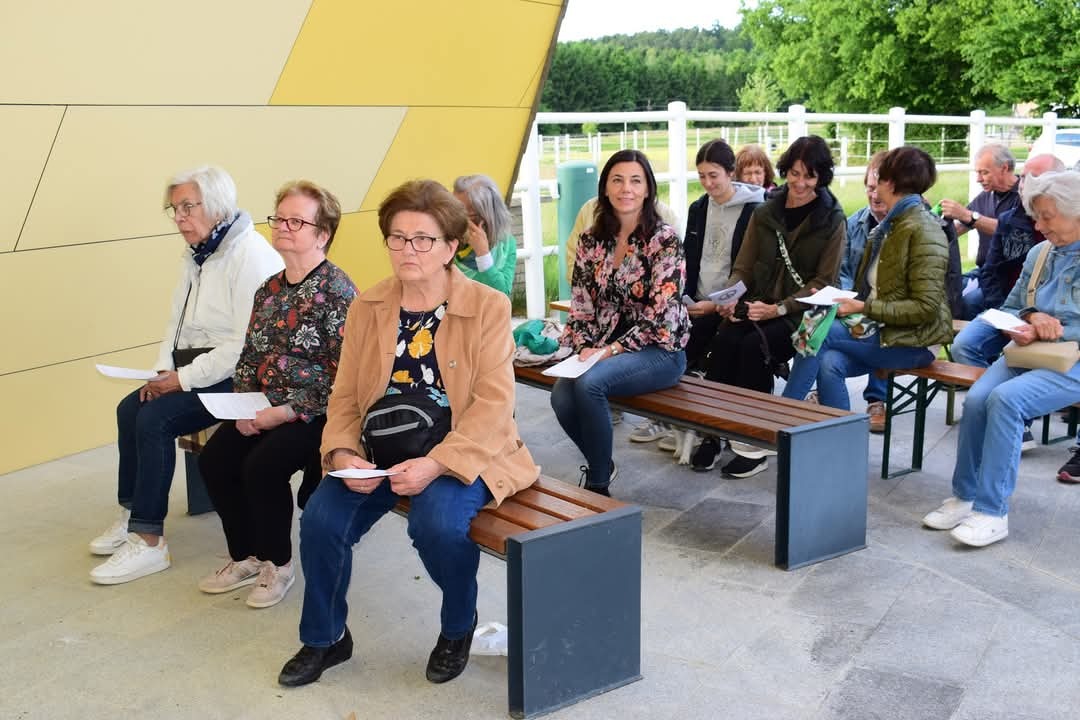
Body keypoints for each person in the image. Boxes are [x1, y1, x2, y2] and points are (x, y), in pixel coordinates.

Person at [277, 179, 538, 687]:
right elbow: (345, 395)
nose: (407, 250)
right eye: (397, 238)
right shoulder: (369, 306)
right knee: (322, 520)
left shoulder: (488, 306)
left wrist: (437, 464)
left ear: (450, 247)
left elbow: (494, 405)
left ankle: (458, 624)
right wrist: (343, 452)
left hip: (463, 448)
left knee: (437, 523)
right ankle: (326, 638)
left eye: (423, 239)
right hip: (381, 446)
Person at [88, 166, 284, 585]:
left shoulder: (251, 256)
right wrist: (163, 370)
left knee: (155, 419)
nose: (179, 218)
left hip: (244, 375)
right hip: (197, 367)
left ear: (217, 208)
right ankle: (132, 514)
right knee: (130, 409)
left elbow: (243, 346)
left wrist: (181, 380)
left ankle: (149, 542)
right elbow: (175, 322)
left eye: (187, 207)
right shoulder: (197, 254)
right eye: (174, 209)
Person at [195, 181, 357, 608]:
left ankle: (279, 564)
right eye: (279, 218)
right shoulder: (268, 289)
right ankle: (246, 556)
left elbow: (347, 378)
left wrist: (283, 412)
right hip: (263, 404)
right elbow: (249, 356)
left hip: (315, 411)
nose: (282, 226)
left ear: (322, 234)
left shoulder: (339, 292)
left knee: (261, 467)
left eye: (296, 221)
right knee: (214, 461)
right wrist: (242, 405)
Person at [922, 170, 1080, 547]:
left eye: (1046, 217)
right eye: (1036, 217)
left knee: (1007, 400)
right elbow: (1010, 307)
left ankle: (992, 512)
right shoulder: (1041, 254)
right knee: (977, 399)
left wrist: (1057, 329)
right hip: (1032, 353)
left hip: (1074, 361)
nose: (1039, 226)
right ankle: (965, 496)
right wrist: (1028, 319)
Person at [692, 135, 846, 476]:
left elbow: (824, 281)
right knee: (725, 339)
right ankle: (714, 432)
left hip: (801, 312)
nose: (800, 183)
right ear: (785, 171)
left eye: (809, 176)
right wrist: (730, 297)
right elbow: (743, 266)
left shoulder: (832, 219)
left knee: (753, 347)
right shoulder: (765, 211)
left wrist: (778, 309)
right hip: (756, 303)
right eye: (794, 173)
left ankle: (754, 442)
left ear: (821, 177)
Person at [552, 149, 690, 494]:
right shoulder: (591, 240)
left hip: (659, 351)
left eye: (635, 181)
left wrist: (610, 350)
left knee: (589, 385)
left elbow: (660, 315)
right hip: (605, 348)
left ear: (647, 189)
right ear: (605, 188)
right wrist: (584, 346)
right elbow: (581, 303)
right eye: (617, 180)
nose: (626, 188)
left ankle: (598, 486)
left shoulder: (665, 240)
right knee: (561, 395)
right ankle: (603, 463)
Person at [781, 147, 954, 413]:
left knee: (817, 329)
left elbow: (925, 308)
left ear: (890, 183)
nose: (875, 188)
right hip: (882, 328)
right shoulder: (887, 227)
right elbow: (869, 291)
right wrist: (835, 299)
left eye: (879, 179)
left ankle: (780, 416)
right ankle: (844, 438)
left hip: (914, 340)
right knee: (829, 361)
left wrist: (863, 307)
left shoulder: (923, 230)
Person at [949, 154, 1066, 451]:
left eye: (1035, 178)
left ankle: (1013, 418)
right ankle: (995, 410)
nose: (1025, 184)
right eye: (1024, 177)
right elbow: (990, 270)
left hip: (1045, 319)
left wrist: (1029, 318)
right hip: (1009, 306)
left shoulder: (1065, 232)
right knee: (964, 343)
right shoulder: (1011, 217)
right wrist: (1004, 314)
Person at [939, 144, 1022, 318]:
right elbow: (960, 226)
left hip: (1008, 278)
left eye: (984, 172)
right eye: (977, 173)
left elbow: (1011, 232)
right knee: (943, 292)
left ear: (1004, 168)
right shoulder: (987, 195)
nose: (978, 179)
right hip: (984, 272)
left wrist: (968, 215)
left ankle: (966, 335)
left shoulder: (1023, 196)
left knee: (966, 304)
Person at [452, 174, 517, 297]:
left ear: (485, 216)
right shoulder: (446, 239)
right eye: (453, 210)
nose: (454, 218)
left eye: (463, 213)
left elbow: (502, 295)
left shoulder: (506, 244)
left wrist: (483, 255)